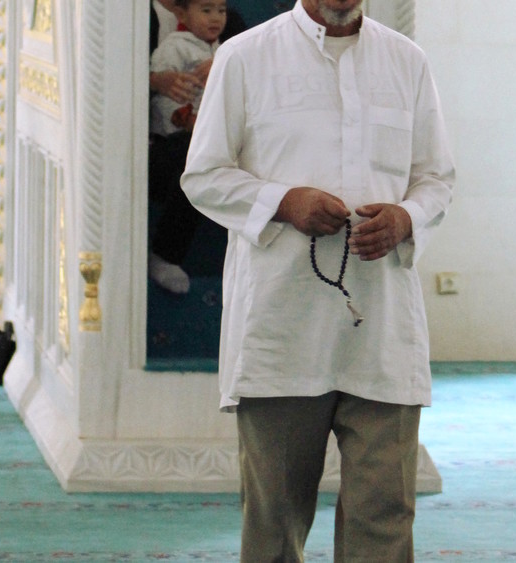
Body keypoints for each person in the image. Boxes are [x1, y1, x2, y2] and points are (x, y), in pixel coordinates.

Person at [180, 0, 455, 560]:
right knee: (275, 525)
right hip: (281, 329)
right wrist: (283, 202)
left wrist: (405, 218)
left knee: (385, 517)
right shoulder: (245, 57)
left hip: (381, 331)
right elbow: (203, 176)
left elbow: (435, 179)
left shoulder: (406, 60)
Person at [147, 0, 228, 293]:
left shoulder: (225, 42)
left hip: (222, 130)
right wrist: (189, 119)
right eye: (206, 11)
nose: (216, 17)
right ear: (182, 13)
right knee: (195, 159)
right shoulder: (173, 45)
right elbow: (166, 102)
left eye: (221, 11)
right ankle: (166, 254)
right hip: (170, 139)